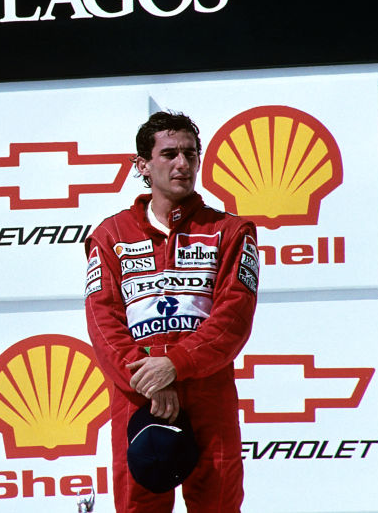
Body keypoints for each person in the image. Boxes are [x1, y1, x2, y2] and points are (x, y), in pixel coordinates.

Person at [84, 111, 259, 512]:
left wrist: (175, 364)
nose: (182, 163)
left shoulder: (231, 231)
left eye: (190, 154)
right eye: (169, 154)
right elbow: (103, 323)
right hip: (138, 393)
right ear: (142, 165)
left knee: (218, 504)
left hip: (208, 390)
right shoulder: (110, 235)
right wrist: (152, 379)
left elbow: (233, 319)